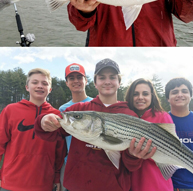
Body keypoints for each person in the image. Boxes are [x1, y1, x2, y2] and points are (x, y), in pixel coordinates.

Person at [34, 58, 155, 191]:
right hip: (76, 185)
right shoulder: (79, 109)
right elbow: (52, 133)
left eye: (112, 77)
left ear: (119, 82)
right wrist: (43, 121)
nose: (107, 81)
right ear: (95, 83)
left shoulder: (130, 114)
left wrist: (133, 156)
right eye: (102, 77)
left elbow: (131, 166)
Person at [0, 68, 66, 191]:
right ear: (27, 87)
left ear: (50, 89)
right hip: (10, 183)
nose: (40, 86)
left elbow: (60, 151)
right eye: (35, 82)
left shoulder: (57, 115)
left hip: (44, 184)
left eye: (44, 83)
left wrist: (57, 178)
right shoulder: (10, 110)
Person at [125, 78, 174, 191]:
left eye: (145, 94)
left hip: (158, 185)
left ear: (152, 96)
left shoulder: (163, 116)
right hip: (132, 184)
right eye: (135, 94)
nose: (140, 97)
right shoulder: (125, 118)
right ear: (130, 97)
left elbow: (171, 153)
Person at [59, 63, 93, 191]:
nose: (76, 81)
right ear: (66, 82)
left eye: (79, 77)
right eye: (71, 78)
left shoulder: (96, 104)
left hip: (94, 166)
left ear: (86, 81)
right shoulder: (63, 110)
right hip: (71, 166)